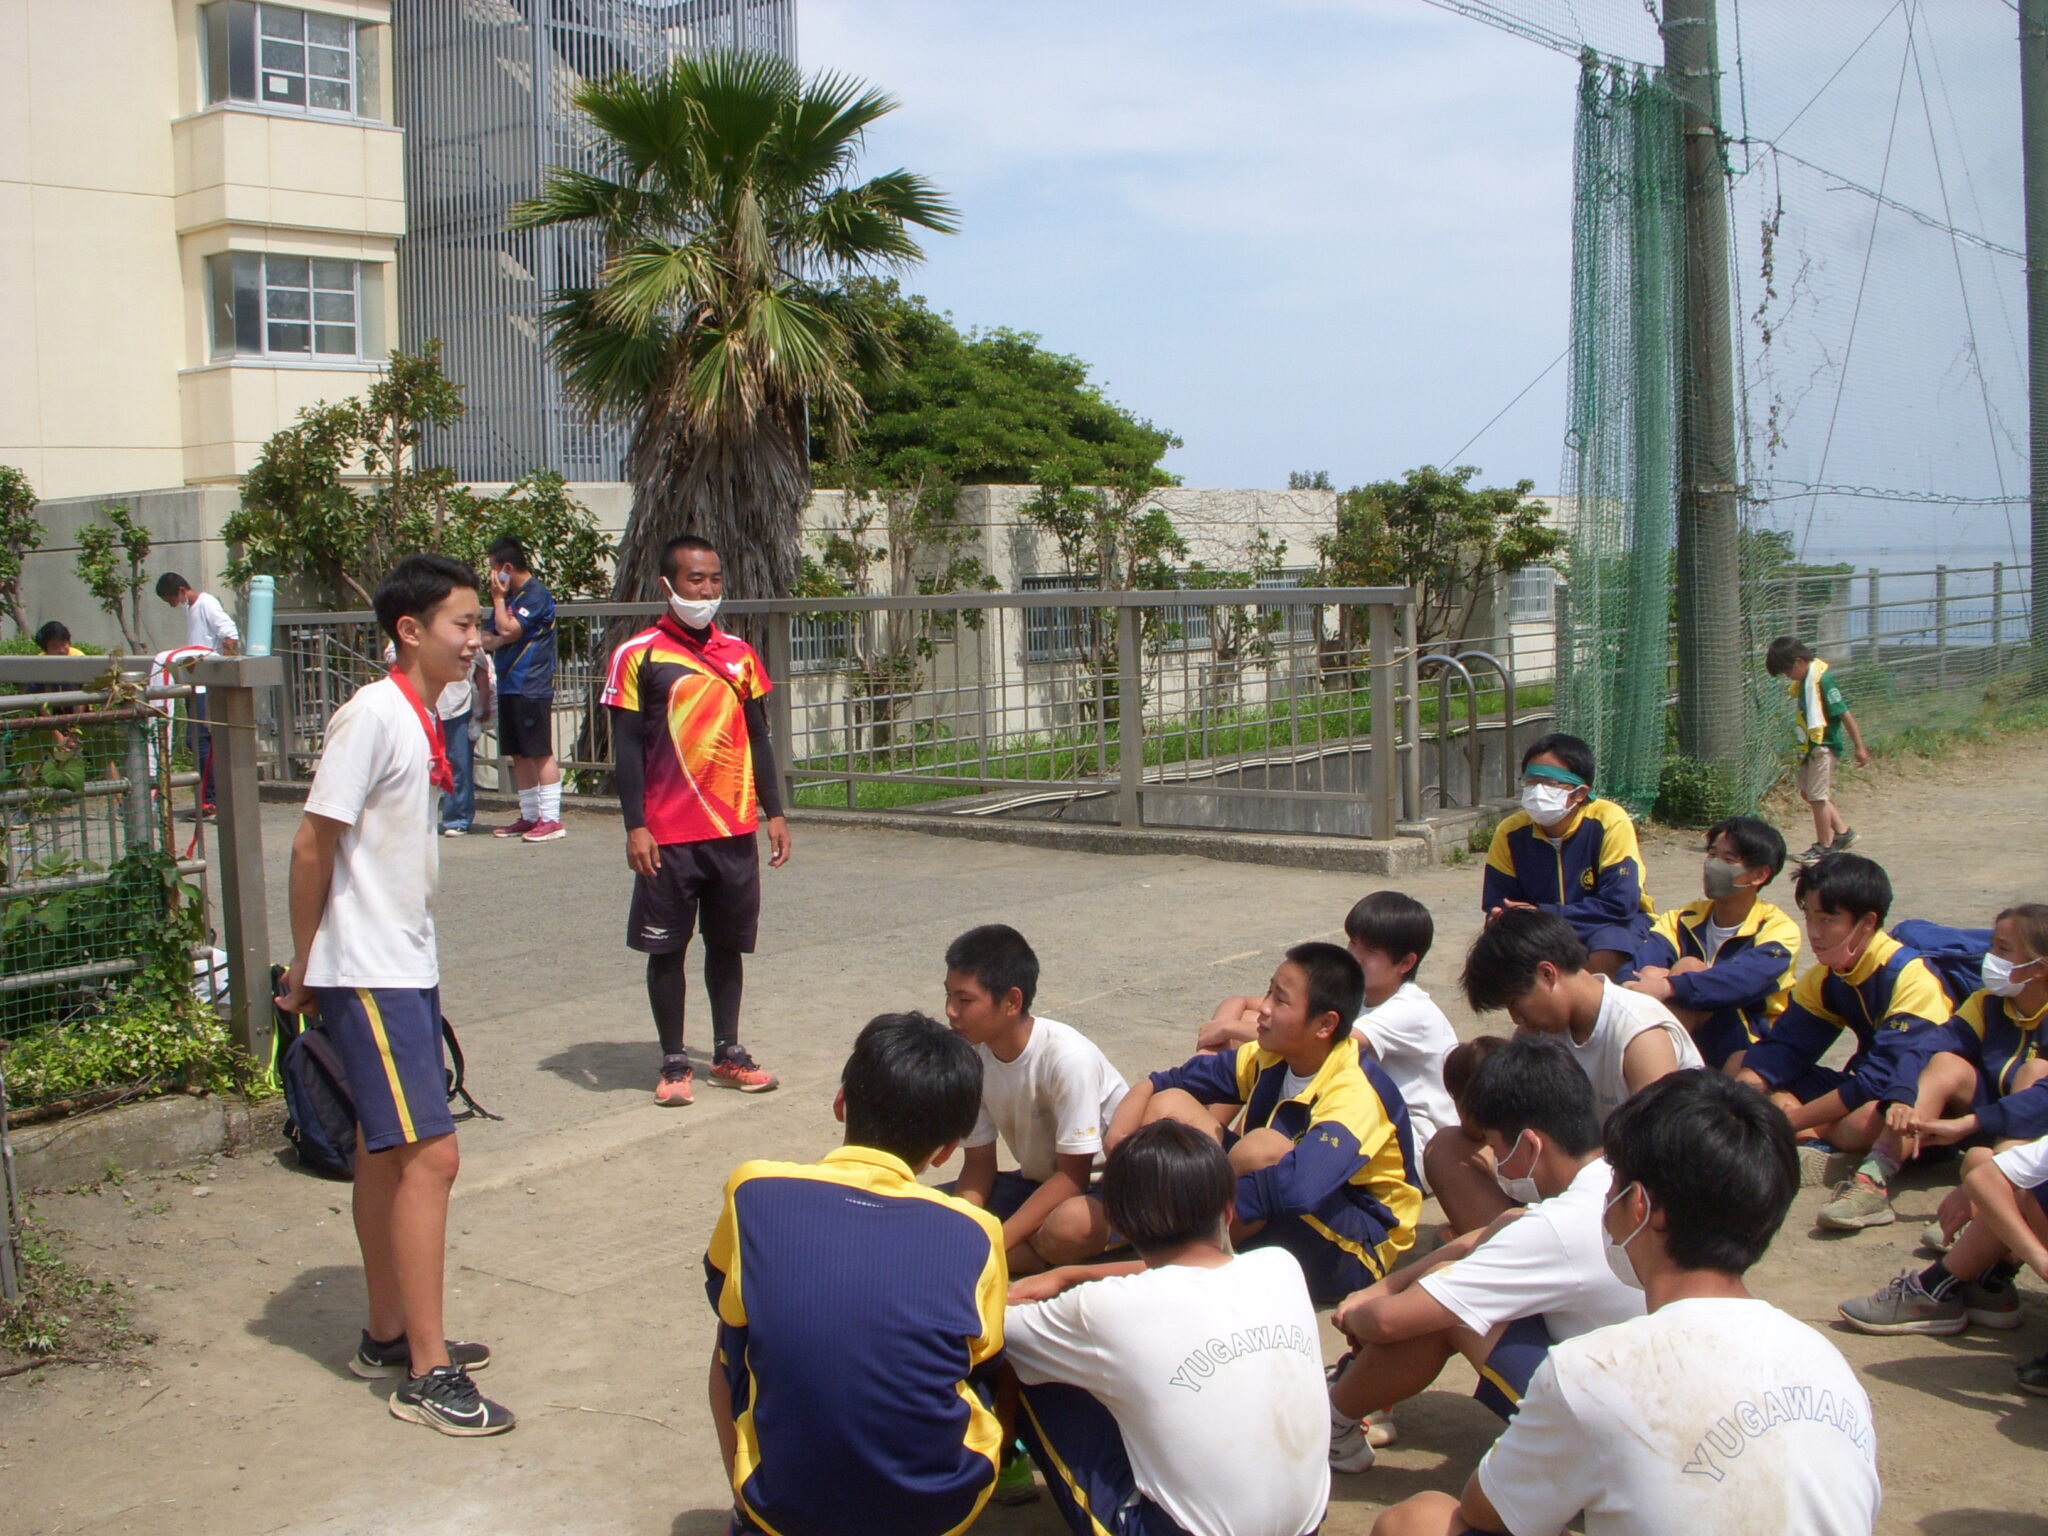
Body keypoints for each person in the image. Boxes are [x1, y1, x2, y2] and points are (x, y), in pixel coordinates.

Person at [1371, 1071, 1882, 1536]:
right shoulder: (1826, 1361)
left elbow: (1486, 1513)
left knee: (1418, 1522)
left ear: (1639, 1206)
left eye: (1612, 1184)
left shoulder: (1593, 1370)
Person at [276, 554, 513, 1436]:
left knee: (386, 1150)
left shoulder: (422, 707)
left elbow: (480, 671)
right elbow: (310, 845)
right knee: (432, 1157)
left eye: (477, 623)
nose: (474, 639)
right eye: (459, 624)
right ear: (408, 632)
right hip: (366, 967)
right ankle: (427, 1370)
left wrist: (491, 617)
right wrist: (306, 968)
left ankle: (387, 1331)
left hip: (398, 961)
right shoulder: (372, 716)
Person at [704, 1012, 1002, 1536]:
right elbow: (977, 1357)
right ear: (948, 1150)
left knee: (735, 1328)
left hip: (783, 1509)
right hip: (936, 1515)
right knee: (982, 1359)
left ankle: (745, 1505)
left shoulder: (754, 1190)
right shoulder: (976, 1230)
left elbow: (722, 1286)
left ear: (842, 1101)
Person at [1327, 1038, 1643, 1474]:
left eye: (1497, 1147)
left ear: (1530, 1146)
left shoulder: (1555, 1227)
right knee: (1447, 1279)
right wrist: (1382, 1288)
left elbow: (1389, 1321)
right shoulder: (1614, 1176)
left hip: (1611, 1445)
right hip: (1646, 1404)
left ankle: (1332, 1422)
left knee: (1449, 1306)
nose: (1498, 1163)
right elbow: (1486, 1236)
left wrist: (1354, 1314)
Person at [1002, 1120, 1329, 1536]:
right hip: (1305, 1528)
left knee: (1024, 1361)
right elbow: (1190, 1270)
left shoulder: (1104, 1309)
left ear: (1120, 1225)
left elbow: (992, 1327)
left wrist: (1059, 1281)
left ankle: (991, 1466)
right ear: (1229, 1209)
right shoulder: (1281, 1266)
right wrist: (1074, 1274)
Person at [1107, 942, 1420, 1306]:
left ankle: (1178, 1255)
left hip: (1350, 1249)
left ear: (1325, 1024)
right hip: (1268, 1207)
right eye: (1269, 991)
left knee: (1263, 1148)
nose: (1264, 1008)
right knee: (1169, 1106)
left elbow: (1299, 1189)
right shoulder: (1271, 1055)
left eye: (1281, 1000)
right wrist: (1119, 1139)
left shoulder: (1353, 1092)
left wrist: (1196, 1201)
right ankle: (1181, 1244)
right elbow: (1165, 1082)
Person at [602, 534, 786, 1101]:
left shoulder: (740, 655)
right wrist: (636, 824)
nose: (705, 590)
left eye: (713, 580)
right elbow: (627, 748)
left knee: (727, 945)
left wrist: (774, 812)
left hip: (732, 830)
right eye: (693, 579)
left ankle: (728, 1051)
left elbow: (759, 735)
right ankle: (674, 1063)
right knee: (668, 949)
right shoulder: (638, 655)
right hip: (667, 835)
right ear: (668, 585)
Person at [1435, 909, 1700, 1236]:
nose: (1516, 1019)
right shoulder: (1539, 1033)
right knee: (1447, 1149)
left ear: (1547, 974)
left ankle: (1519, 1254)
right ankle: (1518, 1253)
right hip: (1576, 1186)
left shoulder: (1639, 1035)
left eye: (1516, 1002)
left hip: (1640, 1200)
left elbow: (1661, 1155)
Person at [1735, 852, 1953, 1230]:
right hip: (1864, 1089)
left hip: (1918, 1104)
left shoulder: (1911, 977)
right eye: (1809, 917)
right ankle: (1824, 1140)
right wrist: (1743, 1094)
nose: (1814, 931)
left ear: (1867, 922)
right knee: (1743, 1066)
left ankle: (1832, 1148)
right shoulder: (1828, 976)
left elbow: (1881, 1081)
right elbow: (1785, 1049)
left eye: (1827, 919)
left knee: (1868, 1117)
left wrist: (1787, 1121)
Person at [1199, 893, 1457, 1187]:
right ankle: (1212, 1134)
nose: (1354, 956)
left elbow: (1312, 1040)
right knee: (1254, 1028)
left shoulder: (1410, 1009)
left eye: (1369, 950)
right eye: (1352, 943)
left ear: (1406, 962)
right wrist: (1222, 1025)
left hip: (1409, 1145)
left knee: (1273, 1047)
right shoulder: (1363, 993)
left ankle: (1215, 1143)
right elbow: (1248, 1003)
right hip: (1359, 1118)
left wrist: (1225, 1030)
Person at [942, 924, 1128, 1275]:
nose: (951, 1011)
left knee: (1068, 1228)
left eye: (965, 1000)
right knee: (936, 1215)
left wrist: (993, 1241)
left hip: (1104, 1188)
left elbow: (1075, 1176)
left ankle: (1000, 1260)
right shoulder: (973, 1059)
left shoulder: (1067, 1058)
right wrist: (966, 1226)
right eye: (949, 996)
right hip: (1039, 1184)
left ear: (1012, 1001)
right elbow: (979, 1164)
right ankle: (1000, 1257)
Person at [1618, 816, 1801, 1072]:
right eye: (1712, 855)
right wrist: (1632, 982)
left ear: (1759, 875)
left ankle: (1652, 1076)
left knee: (1688, 968)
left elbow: (1739, 982)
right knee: (1651, 973)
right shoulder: (1683, 918)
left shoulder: (1778, 929)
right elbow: (1638, 965)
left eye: (1728, 860)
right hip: (1690, 1031)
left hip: (1747, 1041)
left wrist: (1669, 985)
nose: (1712, 866)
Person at [1481, 733, 1654, 975]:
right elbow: (1498, 901)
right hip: (1542, 929)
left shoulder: (1608, 820)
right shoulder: (1510, 832)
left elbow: (1620, 904)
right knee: (1499, 950)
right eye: (1531, 782)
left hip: (1607, 924)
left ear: (1580, 793)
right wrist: (1503, 916)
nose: (1538, 791)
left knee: (1608, 949)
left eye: (1550, 783)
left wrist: (1543, 914)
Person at [480, 537, 563, 842]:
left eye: (493, 569)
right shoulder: (511, 598)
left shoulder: (535, 594)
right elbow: (488, 637)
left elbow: (507, 629)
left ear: (506, 568)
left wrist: (500, 608)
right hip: (508, 685)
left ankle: (551, 818)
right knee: (519, 752)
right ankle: (529, 815)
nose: (492, 577)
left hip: (532, 683)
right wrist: (504, 633)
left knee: (539, 751)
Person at [1765, 635, 1871, 865]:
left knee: (1817, 796)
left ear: (1800, 661)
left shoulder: (1823, 681)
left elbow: (1845, 714)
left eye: (1787, 671)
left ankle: (1824, 846)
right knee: (1807, 791)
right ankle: (1843, 833)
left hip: (1825, 746)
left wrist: (1860, 747)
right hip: (1811, 747)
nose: (1787, 677)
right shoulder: (1804, 682)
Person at [155, 571, 240, 816]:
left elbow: (229, 633)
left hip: (207, 684)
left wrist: (223, 667)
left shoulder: (206, 603)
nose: (172, 604)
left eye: (171, 599)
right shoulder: (191, 607)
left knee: (201, 740)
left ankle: (211, 798)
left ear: (182, 590)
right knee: (197, 741)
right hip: (196, 683)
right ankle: (210, 796)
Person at [437, 650, 493, 837]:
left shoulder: (464, 636)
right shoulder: (415, 631)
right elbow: (392, 655)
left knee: (458, 762)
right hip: (423, 703)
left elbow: (481, 669)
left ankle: (457, 818)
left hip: (457, 704)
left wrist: (484, 701)